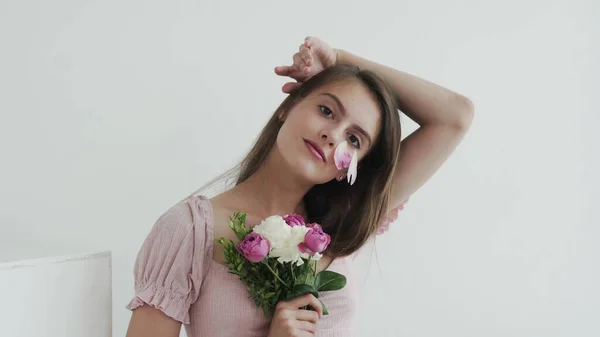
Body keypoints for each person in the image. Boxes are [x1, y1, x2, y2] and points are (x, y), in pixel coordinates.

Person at [124, 36, 474, 337]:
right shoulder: (191, 230)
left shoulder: (345, 223)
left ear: (347, 171)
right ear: (287, 106)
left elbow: (454, 117)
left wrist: (339, 59)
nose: (332, 135)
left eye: (354, 139)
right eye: (326, 110)